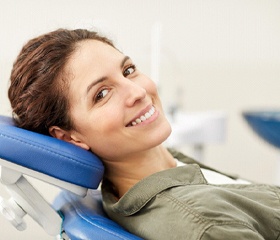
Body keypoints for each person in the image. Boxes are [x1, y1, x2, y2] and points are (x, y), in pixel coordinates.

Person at [8, 28, 280, 240]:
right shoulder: (205, 226)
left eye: (128, 70)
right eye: (102, 94)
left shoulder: (164, 164)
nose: (138, 92)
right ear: (69, 138)